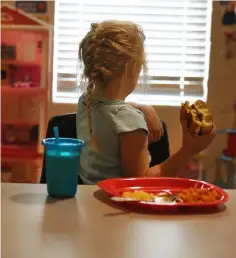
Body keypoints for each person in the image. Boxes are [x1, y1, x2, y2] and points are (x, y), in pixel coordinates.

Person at [76, 20, 215, 185]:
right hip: (116, 206)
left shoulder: (86, 100)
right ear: (132, 67)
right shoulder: (130, 121)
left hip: (86, 199)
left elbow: (111, 107)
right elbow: (141, 184)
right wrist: (188, 150)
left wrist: (143, 107)